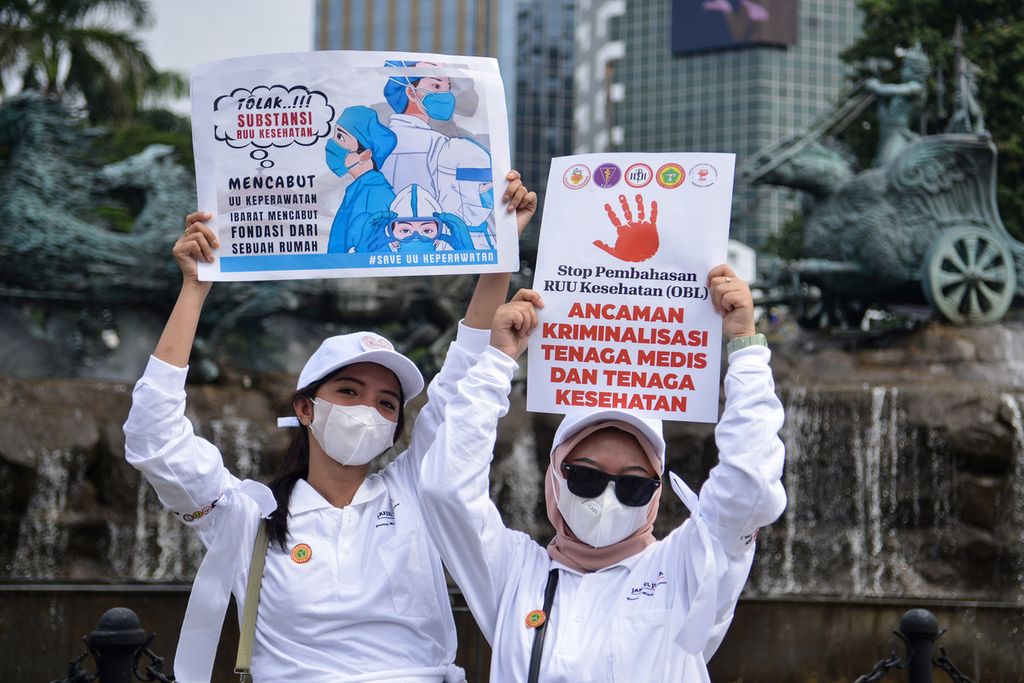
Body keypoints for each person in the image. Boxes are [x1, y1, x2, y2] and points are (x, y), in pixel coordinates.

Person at [122, 171, 537, 683]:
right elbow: (152, 437)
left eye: (387, 403)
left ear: (396, 427)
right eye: (348, 392)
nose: (368, 410)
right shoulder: (246, 515)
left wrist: (497, 248)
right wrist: (194, 289)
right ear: (305, 408)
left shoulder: (418, 490)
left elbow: (463, 373)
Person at [419, 266, 786, 682]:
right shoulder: (513, 572)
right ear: (556, 474)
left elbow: (752, 483)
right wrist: (496, 363)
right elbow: (445, 487)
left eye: (633, 485)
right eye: (586, 477)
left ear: (655, 492)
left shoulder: (688, 564)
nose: (606, 498)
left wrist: (745, 348)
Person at [324, 105, 398, 253]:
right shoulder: (359, 189)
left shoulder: (375, 195)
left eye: (340, 137)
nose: (331, 143)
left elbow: (375, 255)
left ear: (365, 155)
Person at [380, 60, 455, 196]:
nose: (446, 94)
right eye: (436, 86)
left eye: (448, 87)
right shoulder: (437, 143)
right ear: (411, 92)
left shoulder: (378, 140)